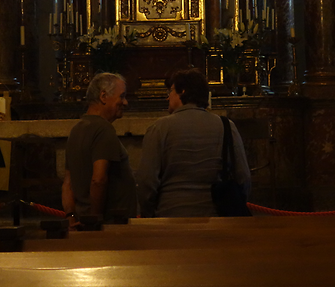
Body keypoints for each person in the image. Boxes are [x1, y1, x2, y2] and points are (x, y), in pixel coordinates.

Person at [136, 68, 250, 217]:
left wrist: (148, 213)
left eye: (170, 92)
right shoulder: (226, 126)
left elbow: (147, 181)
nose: (167, 98)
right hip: (215, 216)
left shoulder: (159, 128)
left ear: (182, 91)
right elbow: (243, 177)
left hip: (170, 214)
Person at [62, 72, 137, 223]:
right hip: (110, 225)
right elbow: (99, 179)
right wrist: (94, 220)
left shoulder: (77, 129)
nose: (126, 102)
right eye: (121, 96)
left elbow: (67, 183)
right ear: (103, 96)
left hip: (85, 221)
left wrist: (70, 216)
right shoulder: (103, 129)